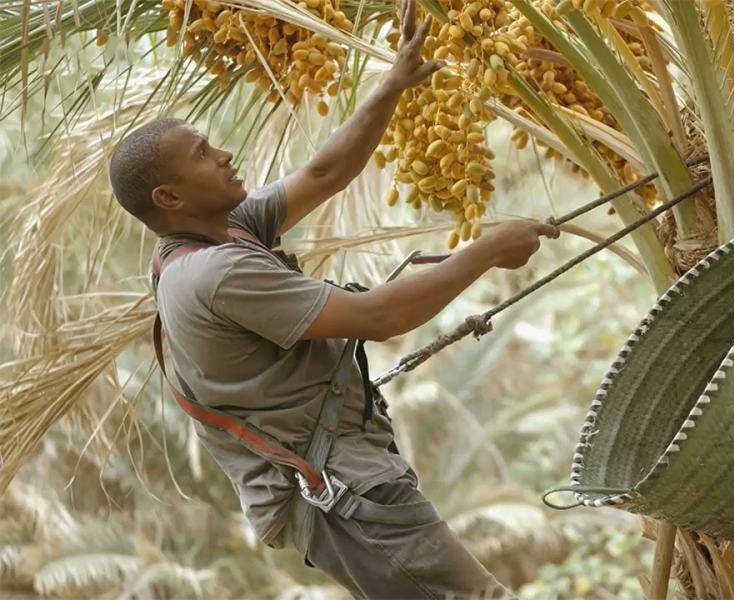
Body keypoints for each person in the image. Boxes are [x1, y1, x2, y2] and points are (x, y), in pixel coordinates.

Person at [109, 1, 559, 597]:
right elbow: (381, 317)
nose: (222, 155)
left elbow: (324, 174)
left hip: (348, 479)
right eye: (202, 155)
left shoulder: (227, 227)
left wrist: (394, 82)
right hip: (339, 493)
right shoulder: (216, 273)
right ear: (169, 198)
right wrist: (487, 251)